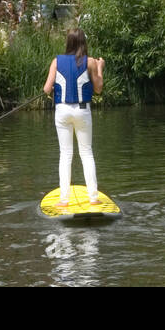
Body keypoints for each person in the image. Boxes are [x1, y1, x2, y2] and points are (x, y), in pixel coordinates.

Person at [42, 29, 106, 208]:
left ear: (68, 42)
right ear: (83, 43)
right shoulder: (91, 62)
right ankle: (93, 197)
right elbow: (98, 88)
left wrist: (56, 85)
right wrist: (100, 68)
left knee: (65, 154)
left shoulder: (56, 61)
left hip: (62, 111)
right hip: (82, 111)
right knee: (86, 153)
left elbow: (47, 89)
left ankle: (64, 200)